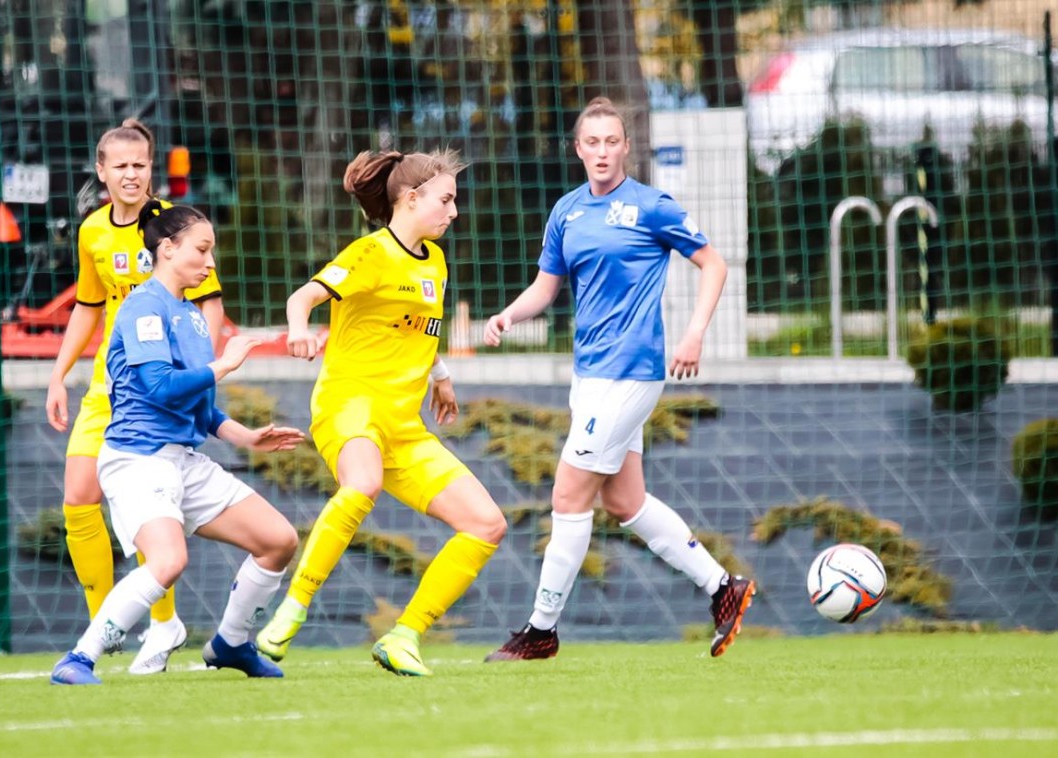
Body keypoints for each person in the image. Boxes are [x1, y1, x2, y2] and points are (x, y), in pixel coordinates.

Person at [482, 97, 755, 661]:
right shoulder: (567, 212)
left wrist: (694, 333)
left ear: (626, 147)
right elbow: (546, 287)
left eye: (612, 141)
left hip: (632, 372)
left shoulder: (652, 206)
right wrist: (508, 314)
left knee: (567, 493)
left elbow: (714, 264)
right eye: (592, 142)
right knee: (626, 502)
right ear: (578, 149)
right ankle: (722, 587)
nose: (603, 151)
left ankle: (541, 629)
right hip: (589, 376)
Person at [254, 149, 506, 677]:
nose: (454, 211)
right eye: (446, 200)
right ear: (411, 199)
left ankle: (403, 636)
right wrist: (297, 330)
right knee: (362, 484)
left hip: (402, 425)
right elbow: (302, 298)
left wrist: (440, 376)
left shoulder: (435, 262)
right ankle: (291, 610)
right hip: (348, 403)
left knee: (486, 524)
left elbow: (417, 327)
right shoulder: (369, 253)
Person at [50, 201, 304, 685]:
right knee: (168, 561)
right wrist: (224, 364)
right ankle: (79, 658)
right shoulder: (142, 306)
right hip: (137, 459)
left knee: (278, 541)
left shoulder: (191, 317)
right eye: (202, 250)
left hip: (182, 460)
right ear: (167, 248)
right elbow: (160, 387)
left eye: (212, 252)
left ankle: (231, 644)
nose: (210, 262)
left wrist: (246, 436)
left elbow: (199, 408)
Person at [45, 120, 225, 675]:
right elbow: (88, 307)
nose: (130, 175)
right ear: (101, 171)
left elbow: (211, 305)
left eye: (139, 165)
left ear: (151, 169)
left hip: (157, 390)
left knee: (151, 510)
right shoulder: (92, 231)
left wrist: (202, 371)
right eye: (120, 166)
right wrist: (58, 375)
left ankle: (163, 622)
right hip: (109, 385)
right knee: (78, 499)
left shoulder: (175, 227)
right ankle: (107, 625)